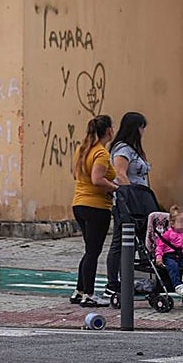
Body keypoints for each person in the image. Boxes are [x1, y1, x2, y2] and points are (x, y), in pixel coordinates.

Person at [69, 115, 119, 307]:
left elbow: (76, 174)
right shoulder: (101, 153)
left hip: (79, 203)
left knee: (89, 250)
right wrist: (115, 188)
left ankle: (79, 290)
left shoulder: (81, 150)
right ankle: (89, 294)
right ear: (108, 131)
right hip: (96, 206)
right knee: (93, 251)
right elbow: (97, 179)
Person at [102, 111, 151, 301]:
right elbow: (120, 174)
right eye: (141, 128)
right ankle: (112, 282)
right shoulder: (123, 150)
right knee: (120, 242)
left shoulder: (134, 150)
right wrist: (132, 196)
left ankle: (132, 280)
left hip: (141, 202)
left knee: (138, 242)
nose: (142, 132)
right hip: (128, 203)